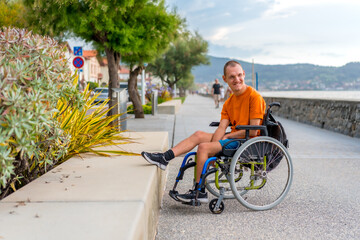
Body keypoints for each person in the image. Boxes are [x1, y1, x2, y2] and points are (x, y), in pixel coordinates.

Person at [141, 60, 266, 203]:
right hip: (232, 138)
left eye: (239, 75)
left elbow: (254, 131)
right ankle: (165, 158)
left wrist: (223, 140)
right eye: (232, 77)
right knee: (199, 135)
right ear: (225, 79)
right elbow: (221, 127)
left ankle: (199, 191)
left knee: (203, 148)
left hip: (246, 142)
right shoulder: (229, 102)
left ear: (244, 74)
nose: (236, 80)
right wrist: (216, 145)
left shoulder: (254, 97)